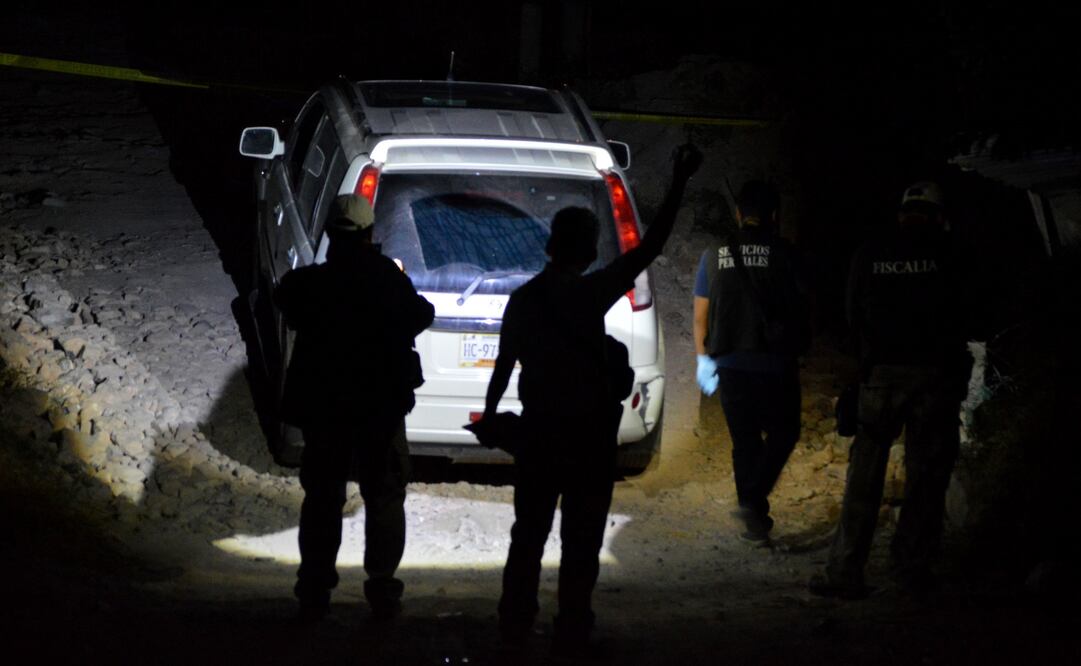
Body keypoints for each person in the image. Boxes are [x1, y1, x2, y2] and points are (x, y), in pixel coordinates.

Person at [472, 144, 702, 654]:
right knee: (581, 544)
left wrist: (490, 419)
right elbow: (651, 247)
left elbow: (504, 365)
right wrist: (680, 180)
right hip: (589, 439)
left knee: (527, 536)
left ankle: (515, 621)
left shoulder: (526, 299)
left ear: (551, 246)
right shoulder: (592, 292)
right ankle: (572, 624)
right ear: (589, 250)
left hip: (540, 437)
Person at [274, 194, 434, 621]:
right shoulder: (385, 278)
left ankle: (314, 590)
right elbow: (422, 314)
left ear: (330, 236)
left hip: (326, 409)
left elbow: (285, 296)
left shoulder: (311, 284)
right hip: (379, 410)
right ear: (369, 234)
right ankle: (382, 588)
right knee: (383, 496)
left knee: (324, 497)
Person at [809, 181, 971, 600]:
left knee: (864, 477)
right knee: (925, 478)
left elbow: (850, 312)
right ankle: (911, 572)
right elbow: (967, 315)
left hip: (880, 377)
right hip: (934, 379)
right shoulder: (950, 254)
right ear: (938, 215)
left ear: (903, 213)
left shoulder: (871, 252)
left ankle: (845, 571)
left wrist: (865, 360)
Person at [693, 180, 810, 545]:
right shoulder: (788, 254)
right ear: (774, 216)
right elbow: (804, 307)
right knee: (784, 432)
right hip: (775, 364)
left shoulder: (714, 254)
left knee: (744, 442)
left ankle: (752, 516)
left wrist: (702, 359)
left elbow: (700, 315)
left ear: (740, 214)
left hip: (729, 364)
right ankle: (754, 500)